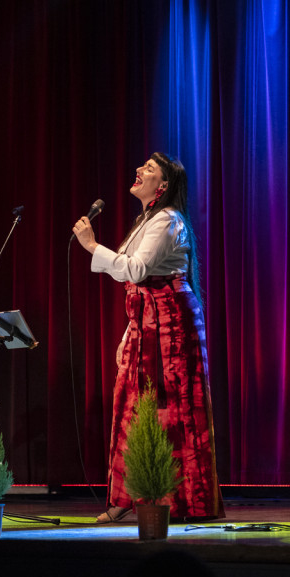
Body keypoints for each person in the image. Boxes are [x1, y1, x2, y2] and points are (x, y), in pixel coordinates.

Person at [72, 152, 224, 523]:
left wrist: (92, 245)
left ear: (164, 185)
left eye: (149, 169)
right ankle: (128, 495)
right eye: (142, 166)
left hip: (173, 329)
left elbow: (137, 271)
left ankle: (184, 500)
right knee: (132, 406)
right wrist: (131, 332)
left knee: (170, 409)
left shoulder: (168, 219)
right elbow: (132, 280)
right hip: (147, 325)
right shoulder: (147, 220)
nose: (139, 170)